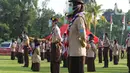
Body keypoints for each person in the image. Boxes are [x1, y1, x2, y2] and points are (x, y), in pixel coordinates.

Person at [68, 0, 87, 73]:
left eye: (73, 4)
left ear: (78, 6)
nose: (71, 6)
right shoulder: (74, 19)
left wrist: (83, 42)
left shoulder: (79, 18)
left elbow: (82, 32)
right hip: (73, 52)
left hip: (78, 52)